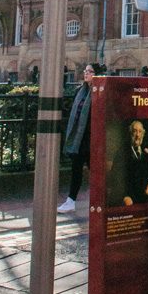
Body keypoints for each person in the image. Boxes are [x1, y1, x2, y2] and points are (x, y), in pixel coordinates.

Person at [58, 63, 97, 213]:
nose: (86, 73)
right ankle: (71, 201)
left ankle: (99, 199)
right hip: (80, 138)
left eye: (90, 71)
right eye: (85, 71)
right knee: (77, 169)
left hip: (92, 137)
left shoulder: (100, 92)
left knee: (95, 171)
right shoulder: (80, 91)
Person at [107, 119, 148, 206]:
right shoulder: (121, 152)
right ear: (130, 133)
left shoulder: (147, 152)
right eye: (134, 131)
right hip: (129, 200)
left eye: (140, 132)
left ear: (143, 134)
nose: (137, 135)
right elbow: (115, 178)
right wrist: (124, 197)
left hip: (145, 198)